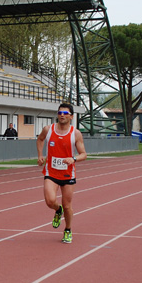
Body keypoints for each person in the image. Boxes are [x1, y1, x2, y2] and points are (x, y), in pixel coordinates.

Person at [36, 102, 87, 244]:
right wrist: (40, 155)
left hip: (67, 174)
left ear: (71, 116)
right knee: (50, 201)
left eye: (65, 114)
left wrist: (74, 158)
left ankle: (68, 229)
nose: (62, 116)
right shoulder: (48, 129)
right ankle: (57, 210)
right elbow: (40, 139)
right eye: (60, 113)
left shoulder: (75, 133)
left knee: (68, 205)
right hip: (51, 172)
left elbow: (84, 154)